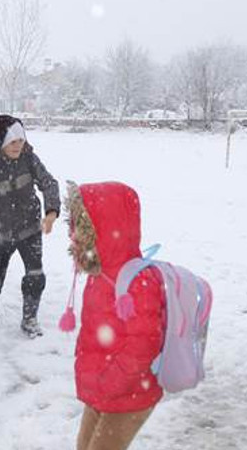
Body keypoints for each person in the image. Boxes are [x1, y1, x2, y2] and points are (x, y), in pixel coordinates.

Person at [65, 181, 165, 450]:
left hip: (130, 394)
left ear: (104, 228)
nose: (74, 236)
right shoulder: (99, 275)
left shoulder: (137, 282)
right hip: (104, 390)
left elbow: (142, 348)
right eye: (74, 228)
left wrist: (108, 381)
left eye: (81, 227)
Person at [0, 115, 60, 338]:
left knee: (35, 275)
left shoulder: (30, 160)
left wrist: (51, 212)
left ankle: (30, 317)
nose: (18, 145)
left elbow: (49, 183)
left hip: (30, 230)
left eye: (21, 140)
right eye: (12, 141)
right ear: (0, 142)